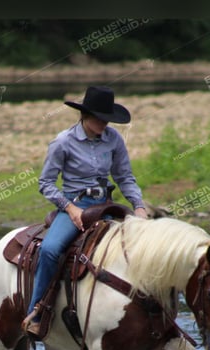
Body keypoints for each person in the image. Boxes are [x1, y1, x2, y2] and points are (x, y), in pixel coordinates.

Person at [22, 85, 147, 335]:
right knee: (49, 249)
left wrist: (140, 206)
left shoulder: (114, 140)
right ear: (85, 115)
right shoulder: (63, 142)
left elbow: (124, 176)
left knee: (140, 247)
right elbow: (45, 183)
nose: (104, 123)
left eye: (107, 119)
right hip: (75, 205)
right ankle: (36, 312)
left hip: (107, 205)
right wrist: (69, 208)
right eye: (100, 118)